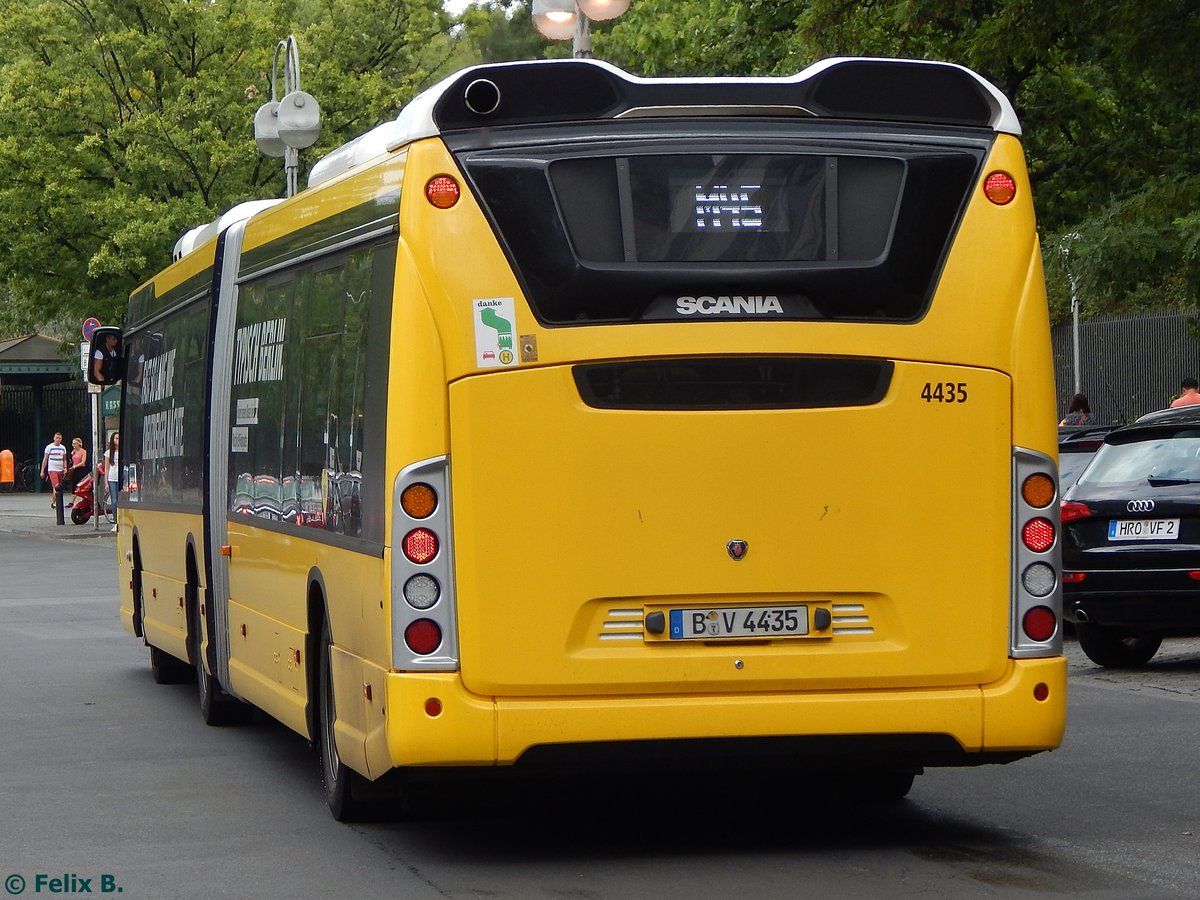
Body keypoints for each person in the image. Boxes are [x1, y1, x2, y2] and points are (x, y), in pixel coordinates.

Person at [39, 432, 67, 507]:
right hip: (52, 469)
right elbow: (45, 459)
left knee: (59, 487)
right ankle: (56, 503)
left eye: (59, 438)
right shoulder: (49, 447)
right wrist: (42, 471)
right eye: (57, 438)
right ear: (54, 438)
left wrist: (65, 468)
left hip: (60, 469)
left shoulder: (63, 448)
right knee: (56, 486)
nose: (58, 439)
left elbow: (64, 459)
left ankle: (56, 502)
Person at [103, 432, 119, 532]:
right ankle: (116, 522)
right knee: (114, 501)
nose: (118, 440)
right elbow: (107, 468)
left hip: (122, 477)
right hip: (112, 478)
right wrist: (106, 482)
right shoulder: (109, 453)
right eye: (116, 438)